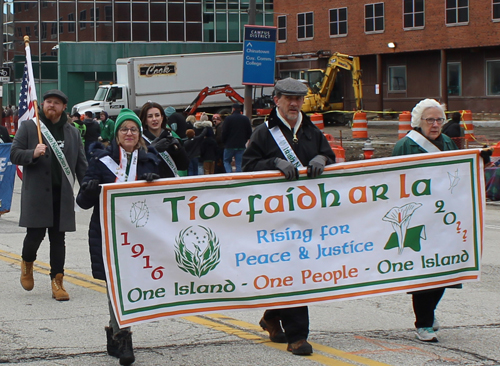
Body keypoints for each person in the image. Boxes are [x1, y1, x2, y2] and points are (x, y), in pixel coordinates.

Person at [242, 77, 335, 356]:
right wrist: (273, 163)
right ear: (277, 101)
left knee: (297, 272)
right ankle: (298, 337)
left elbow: (328, 156)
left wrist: (323, 160)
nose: (294, 103)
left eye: (298, 99)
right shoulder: (263, 133)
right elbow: (247, 167)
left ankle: (272, 316)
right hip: (274, 217)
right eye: (288, 98)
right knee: (290, 271)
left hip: (306, 216)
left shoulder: (311, 131)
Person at [76, 108, 160, 366]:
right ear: (116, 134)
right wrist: (90, 190)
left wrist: (155, 183)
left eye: (133, 129)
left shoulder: (150, 159)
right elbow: (82, 202)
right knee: (117, 286)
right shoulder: (101, 161)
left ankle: (114, 334)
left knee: (132, 284)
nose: (129, 133)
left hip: (141, 236)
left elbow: (169, 197)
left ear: (139, 133)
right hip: (110, 235)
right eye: (124, 129)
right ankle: (124, 337)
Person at [10, 89, 87, 301]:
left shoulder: (72, 132)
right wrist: (32, 153)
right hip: (36, 195)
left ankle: (57, 281)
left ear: (64, 108)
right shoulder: (29, 127)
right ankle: (27, 262)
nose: (51, 105)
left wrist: (89, 187)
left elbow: (81, 165)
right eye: (48, 102)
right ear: (42, 105)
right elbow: (14, 154)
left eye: (56, 103)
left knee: (58, 239)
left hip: (61, 195)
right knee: (34, 236)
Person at [392, 98, 458, 342]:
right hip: (418, 219)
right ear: (418, 122)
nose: (436, 124)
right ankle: (423, 322)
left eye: (439, 119)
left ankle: (429, 312)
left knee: (443, 270)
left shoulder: (448, 142)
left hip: (443, 217)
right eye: (430, 120)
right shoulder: (405, 146)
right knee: (423, 272)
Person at [138, 101, 189, 177]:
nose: (154, 119)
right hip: (151, 184)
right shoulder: (140, 140)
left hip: (170, 183)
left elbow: (183, 166)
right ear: (145, 120)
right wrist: (153, 150)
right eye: (150, 116)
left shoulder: (170, 136)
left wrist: (179, 150)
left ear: (162, 118)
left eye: (157, 115)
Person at [222, 103, 252, 173]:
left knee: (226, 161)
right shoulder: (245, 119)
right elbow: (249, 132)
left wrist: (224, 142)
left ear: (233, 109)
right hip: (241, 145)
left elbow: (224, 132)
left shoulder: (228, 119)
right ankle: (239, 176)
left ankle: (229, 174)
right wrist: (245, 140)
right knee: (239, 163)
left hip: (229, 145)